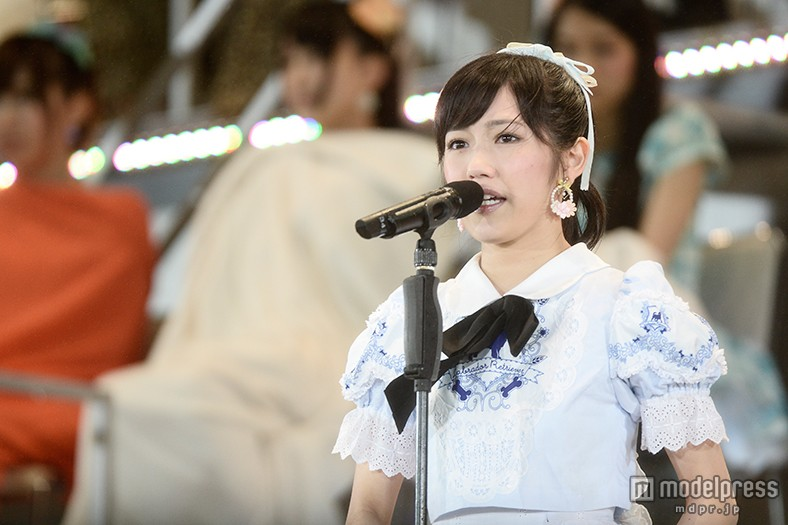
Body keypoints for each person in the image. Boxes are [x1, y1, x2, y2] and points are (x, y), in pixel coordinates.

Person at [64, 2, 465, 524]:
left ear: (373, 69)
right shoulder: (260, 164)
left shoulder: (416, 171)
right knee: (128, 405)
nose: (300, 76)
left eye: (318, 57)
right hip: (236, 353)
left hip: (330, 353)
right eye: (290, 60)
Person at [333, 42, 738, 525]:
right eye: (458, 143)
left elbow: (713, 501)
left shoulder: (626, 311)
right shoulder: (412, 321)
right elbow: (368, 508)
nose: (476, 166)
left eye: (506, 137)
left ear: (571, 159)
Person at [545, 0, 788, 483]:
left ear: (640, 55)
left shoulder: (676, 132)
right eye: (566, 48)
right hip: (571, 332)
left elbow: (644, 262)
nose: (581, 65)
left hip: (659, 329)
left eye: (603, 48)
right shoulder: (548, 148)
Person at [0, 24, 155, 496]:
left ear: (76, 105)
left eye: (26, 99)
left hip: (80, 412)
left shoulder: (122, 219)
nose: (7, 118)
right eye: (0, 98)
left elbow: (117, 342)